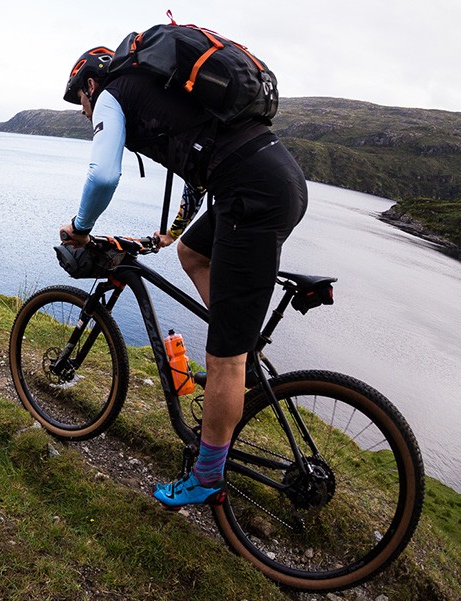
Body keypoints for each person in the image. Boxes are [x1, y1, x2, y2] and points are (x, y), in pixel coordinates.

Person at [59, 45, 309, 507]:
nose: (83, 112)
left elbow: (102, 177)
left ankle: (208, 475)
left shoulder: (112, 94)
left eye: (80, 101)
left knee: (224, 359)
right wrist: (172, 234)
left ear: (90, 84)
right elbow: (196, 173)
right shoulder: (161, 94)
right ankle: (242, 347)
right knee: (193, 253)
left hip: (250, 193)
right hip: (274, 179)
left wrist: (81, 228)